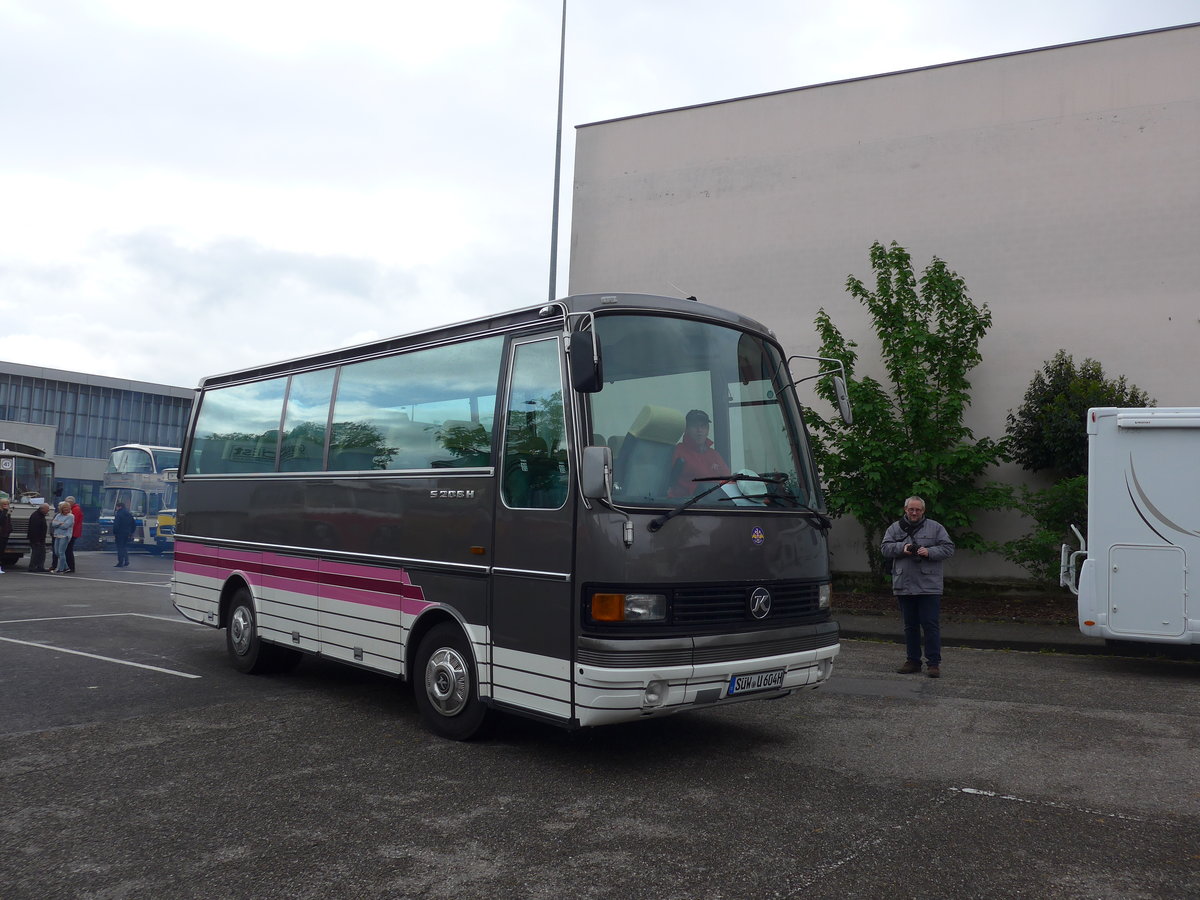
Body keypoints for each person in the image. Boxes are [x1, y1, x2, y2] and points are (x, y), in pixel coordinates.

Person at [880, 495, 955, 678]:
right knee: (910, 626)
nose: (914, 513)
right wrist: (902, 548)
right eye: (911, 509)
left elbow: (948, 548)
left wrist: (928, 551)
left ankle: (933, 663)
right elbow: (884, 548)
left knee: (930, 625)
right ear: (905, 510)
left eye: (918, 510)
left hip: (929, 585)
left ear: (923, 511)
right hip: (904, 584)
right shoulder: (895, 528)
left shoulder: (936, 527)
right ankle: (913, 661)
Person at [668, 409, 730, 497]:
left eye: (703, 426)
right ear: (686, 429)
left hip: (716, 504)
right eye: (694, 426)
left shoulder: (714, 455)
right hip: (687, 504)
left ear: (707, 430)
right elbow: (667, 488)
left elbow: (728, 483)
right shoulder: (677, 452)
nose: (699, 430)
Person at [51, 501, 75, 574]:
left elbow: (65, 526)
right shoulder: (58, 515)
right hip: (57, 535)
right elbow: (53, 524)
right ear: (61, 508)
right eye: (64, 507)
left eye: (67, 507)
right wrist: (60, 523)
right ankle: (66, 567)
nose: (66, 509)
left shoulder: (71, 516)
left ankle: (61, 569)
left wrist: (58, 524)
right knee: (56, 552)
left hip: (65, 536)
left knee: (61, 552)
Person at [27, 503, 50, 572]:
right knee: (36, 553)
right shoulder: (36, 516)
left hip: (40, 539)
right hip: (36, 539)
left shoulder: (40, 515)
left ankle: (40, 566)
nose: (48, 511)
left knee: (42, 553)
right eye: (47, 509)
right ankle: (32, 567)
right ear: (42, 509)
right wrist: (36, 540)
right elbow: (34, 529)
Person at [112, 501, 135, 568]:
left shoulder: (119, 514)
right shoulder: (129, 514)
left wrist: (115, 532)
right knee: (124, 547)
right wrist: (131, 532)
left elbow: (116, 525)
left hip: (120, 533)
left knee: (120, 548)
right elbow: (133, 524)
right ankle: (126, 561)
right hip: (127, 533)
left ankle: (120, 562)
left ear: (120, 507)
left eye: (116, 507)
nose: (116, 508)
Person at [66, 495, 83, 573]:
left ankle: (70, 567)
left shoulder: (75, 509)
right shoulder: (75, 509)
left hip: (73, 532)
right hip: (73, 532)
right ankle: (69, 566)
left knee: (68, 550)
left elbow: (73, 522)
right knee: (68, 550)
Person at [0, 497, 10, 574]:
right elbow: (1, 521)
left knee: (2, 552)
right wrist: (5, 511)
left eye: (7, 504)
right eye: (4, 504)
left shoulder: (6, 513)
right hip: (1, 534)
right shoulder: (2, 513)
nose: (6, 506)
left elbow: (8, 523)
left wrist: (10, 529)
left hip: (4, 535)